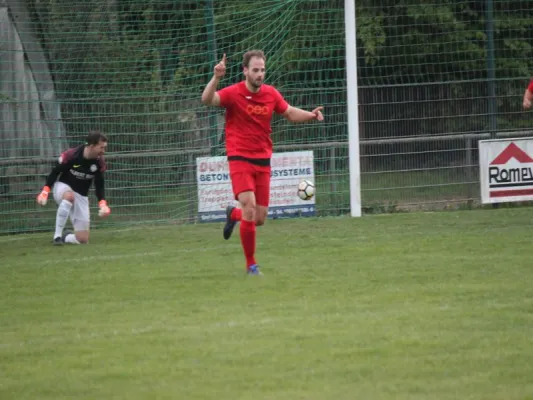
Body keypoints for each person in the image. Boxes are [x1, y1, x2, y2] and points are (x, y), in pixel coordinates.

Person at [201, 50, 324, 275]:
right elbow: (208, 99)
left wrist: (310, 115)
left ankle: (232, 214)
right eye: (255, 70)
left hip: (262, 161)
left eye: (262, 70)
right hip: (239, 158)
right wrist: (216, 78)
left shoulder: (270, 94)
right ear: (245, 71)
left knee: (258, 218)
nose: (260, 74)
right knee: (248, 206)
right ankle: (252, 266)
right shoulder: (233, 93)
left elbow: (288, 112)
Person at [36, 131, 111, 245]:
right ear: (91, 146)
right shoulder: (72, 155)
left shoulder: (99, 162)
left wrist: (102, 204)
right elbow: (55, 172)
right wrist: (45, 192)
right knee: (69, 196)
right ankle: (57, 237)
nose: (103, 151)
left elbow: (99, 184)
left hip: (81, 195)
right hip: (62, 187)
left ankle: (66, 237)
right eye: (101, 148)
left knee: (82, 240)